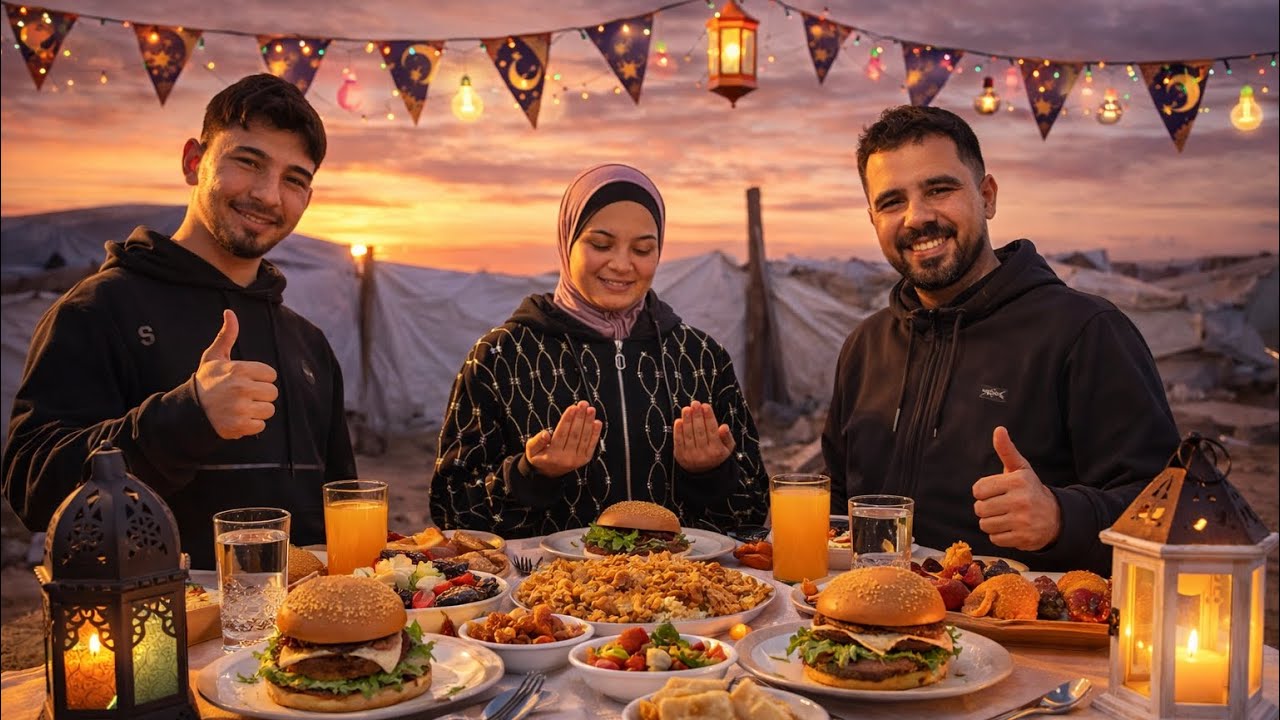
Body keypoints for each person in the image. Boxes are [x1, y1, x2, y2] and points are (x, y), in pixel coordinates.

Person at [2, 73, 357, 568]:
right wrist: (186, 417)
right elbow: (31, 486)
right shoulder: (100, 309)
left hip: (304, 639)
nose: (268, 195)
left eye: (293, 179)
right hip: (160, 636)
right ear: (194, 162)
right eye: (248, 162)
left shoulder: (308, 343)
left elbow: (340, 505)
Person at [822, 105, 1179, 575]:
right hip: (869, 622)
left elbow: (1169, 511)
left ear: (987, 196)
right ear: (872, 219)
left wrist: (1059, 518)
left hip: (1023, 634)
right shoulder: (866, 347)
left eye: (939, 189)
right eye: (892, 202)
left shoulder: (1084, 332)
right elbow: (836, 507)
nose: (917, 217)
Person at [429, 163, 769, 538]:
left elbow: (752, 513)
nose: (622, 265)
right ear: (566, 241)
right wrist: (532, 474)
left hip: (685, 590)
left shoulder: (700, 358)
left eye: (643, 249)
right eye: (600, 244)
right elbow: (451, 511)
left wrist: (711, 474)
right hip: (546, 593)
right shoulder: (502, 357)